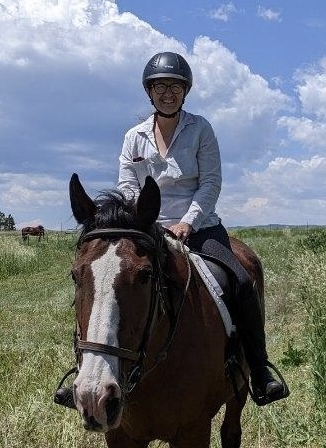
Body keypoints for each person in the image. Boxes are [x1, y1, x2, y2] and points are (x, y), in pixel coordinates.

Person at [54, 52, 287, 409]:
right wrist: (139, 221)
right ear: (150, 91)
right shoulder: (133, 136)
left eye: (175, 86)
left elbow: (210, 182)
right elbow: (128, 185)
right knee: (106, 284)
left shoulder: (201, 130)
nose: (168, 92)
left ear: (185, 91)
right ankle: (85, 371)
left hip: (200, 227)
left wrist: (188, 221)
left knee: (240, 281)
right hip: (148, 228)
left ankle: (259, 369)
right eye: (160, 85)